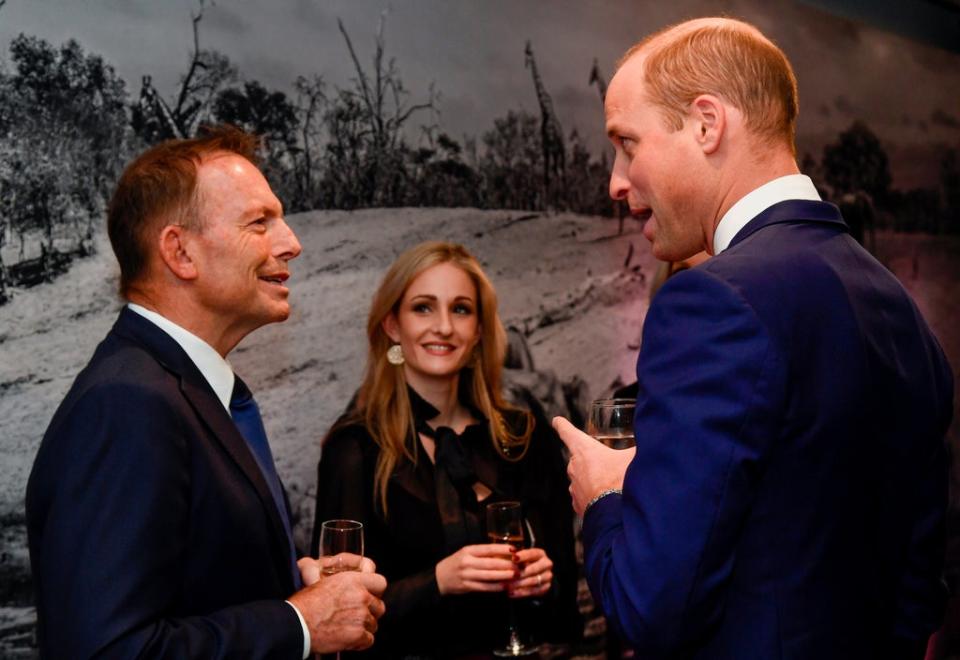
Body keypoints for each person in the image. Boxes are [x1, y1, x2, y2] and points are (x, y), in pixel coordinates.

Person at [553, 17, 954, 659]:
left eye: (627, 144)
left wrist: (604, 497)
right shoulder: (898, 309)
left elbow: (649, 610)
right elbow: (918, 592)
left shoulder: (712, 302)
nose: (615, 181)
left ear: (706, 124)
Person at [26, 126, 386, 659]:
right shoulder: (128, 403)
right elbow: (105, 649)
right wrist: (299, 623)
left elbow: (192, 592)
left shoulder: (181, 387)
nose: (291, 242)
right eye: (259, 222)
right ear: (180, 252)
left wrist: (292, 588)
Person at [312, 241, 581, 658]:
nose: (444, 326)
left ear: (478, 332)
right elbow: (336, 618)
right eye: (423, 307)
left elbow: (564, 592)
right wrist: (438, 580)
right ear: (392, 326)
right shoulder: (355, 451)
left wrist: (544, 582)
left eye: (461, 309)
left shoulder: (524, 436)